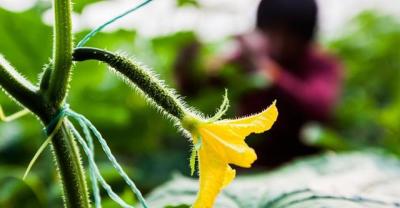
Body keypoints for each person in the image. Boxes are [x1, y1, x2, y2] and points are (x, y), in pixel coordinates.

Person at [175, 0, 343, 167]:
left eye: (290, 35)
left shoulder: (322, 63)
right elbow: (195, 88)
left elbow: (319, 108)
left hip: (307, 164)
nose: (281, 42)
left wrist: (266, 70)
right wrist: (186, 67)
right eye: (272, 31)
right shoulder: (244, 59)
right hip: (252, 164)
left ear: (306, 35)